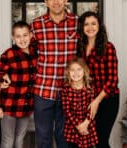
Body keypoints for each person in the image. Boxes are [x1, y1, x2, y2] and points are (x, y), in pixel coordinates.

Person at [30, 0, 78, 147]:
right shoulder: (36, 25)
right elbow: (27, 53)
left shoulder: (77, 23)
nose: (56, 2)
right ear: (46, 2)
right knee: (43, 137)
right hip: (43, 90)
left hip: (69, 90)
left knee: (65, 137)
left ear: (66, 1)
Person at [0, 21, 37, 148]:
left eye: (25, 35)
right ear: (13, 37)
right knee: (8, 140)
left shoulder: (35, 52)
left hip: (26, 107)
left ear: (31, 35)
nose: (22, 39)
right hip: (9, 106)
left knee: (19, 140)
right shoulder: (9, 54)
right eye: (18, 36)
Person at [76, 11, 120, 148]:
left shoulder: (108, 48)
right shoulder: (80, 48)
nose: (90, 27)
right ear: (82, 28)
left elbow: (112, 80)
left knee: (101, 141)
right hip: (87, 99)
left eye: (93, 24)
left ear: (99, 26)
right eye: (86, 24)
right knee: (87, 140)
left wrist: (97, 101)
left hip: (107, 100)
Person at [61, 57, 98, 148]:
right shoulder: (65, 89)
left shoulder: (90, 88)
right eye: (72, 70)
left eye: (79, 69)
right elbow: (67, 111)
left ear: (84, 71)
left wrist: (85, 123)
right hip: (72, 128)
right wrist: (79, 126)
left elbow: (92, 109)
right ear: (68, 72)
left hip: (87, 126)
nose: (76, 73)